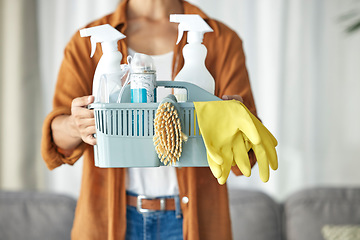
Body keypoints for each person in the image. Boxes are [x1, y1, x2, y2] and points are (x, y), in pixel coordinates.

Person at [41, 0, 258, 239]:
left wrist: (237, 123)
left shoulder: (221, 40)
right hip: (112, 220)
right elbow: (57, 138)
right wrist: (74, 124)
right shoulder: (88, 43)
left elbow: (247, 155)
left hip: (194, 220)